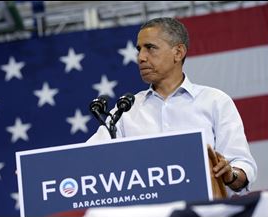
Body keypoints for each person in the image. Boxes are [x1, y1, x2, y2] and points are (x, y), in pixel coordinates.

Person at [87, 17, 257, 196]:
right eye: (139, 50)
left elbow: (243, 166)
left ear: (178, 52)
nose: (141, 57)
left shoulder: (215, 101)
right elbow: (88, 158)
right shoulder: (125, 111)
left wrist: (231, 174)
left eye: (150, 48)